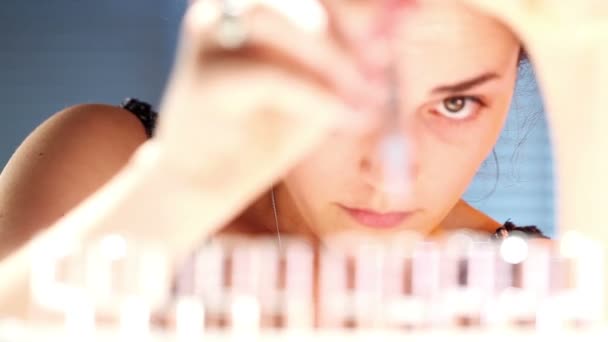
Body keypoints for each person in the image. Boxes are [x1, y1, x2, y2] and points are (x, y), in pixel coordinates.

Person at [0, 0, 606, 315]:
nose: (391, 173)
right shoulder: (108, 170)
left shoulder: (531, 292)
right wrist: (181, 188)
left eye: (456, 104)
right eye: (351, 95)